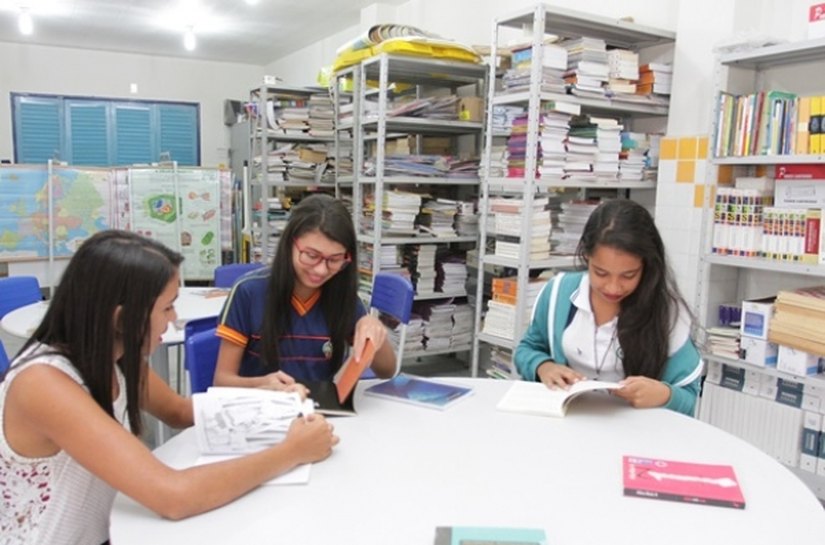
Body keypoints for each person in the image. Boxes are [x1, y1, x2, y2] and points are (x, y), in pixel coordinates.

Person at [0, 230, 338, 544]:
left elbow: (179, 411)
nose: (174, 318)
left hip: (109, 529)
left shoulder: (115, 356)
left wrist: (260, 390)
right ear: (121, 317)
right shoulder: (45, 384)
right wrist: (291, 452)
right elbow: (173, 496)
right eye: (167, 307)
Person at [514, 199, 702, 416]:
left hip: (634, 433)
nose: (613, 287)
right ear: (586, 256)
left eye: (628, 275)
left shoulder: (667, 312)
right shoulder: (558, 293)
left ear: (646, 266)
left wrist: (664, 395)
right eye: (601, 273)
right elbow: (527, 349)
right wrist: (543, 366)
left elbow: (689, 398)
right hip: (569, 426)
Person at [214, 194, 396, 391]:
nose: (321, 270)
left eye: (334, 259)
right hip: (262, 411)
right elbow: (222, 380)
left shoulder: (343, 298)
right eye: (311, 256)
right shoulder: (249, 292)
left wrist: (375, 330)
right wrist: (262, 384)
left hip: (318, 414)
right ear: (290, 244)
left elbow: (386, 371)